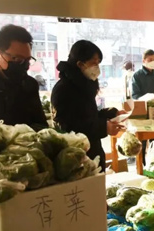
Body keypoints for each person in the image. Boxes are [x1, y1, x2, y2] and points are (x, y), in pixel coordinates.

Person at [52, 40, 125, 168]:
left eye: (98, 63)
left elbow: (89, 116)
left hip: (93, 153)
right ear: (80, 64)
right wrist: (103, 127)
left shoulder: (84, 85)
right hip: (76, 159)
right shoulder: (63, 89)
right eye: (94, 63)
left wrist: (113, 113)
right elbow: (67, 127)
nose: (97, 67)